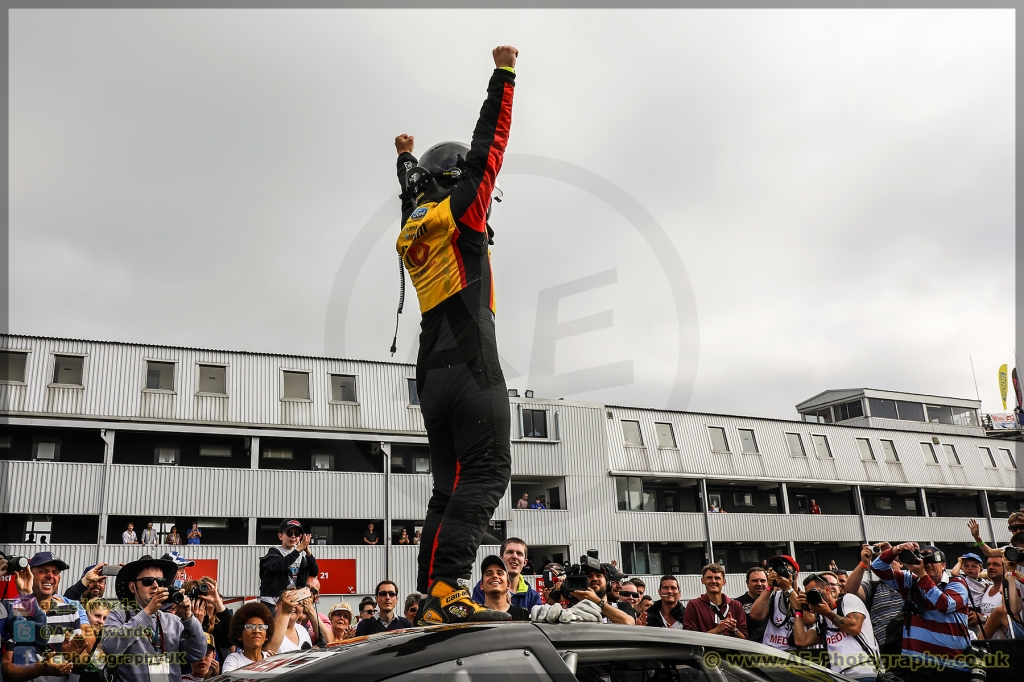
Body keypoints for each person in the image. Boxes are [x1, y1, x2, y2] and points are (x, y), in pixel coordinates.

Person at [396, 45, 518, 627]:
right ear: (457, 181)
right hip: (472, 372)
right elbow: (489, 144)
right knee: (488, 474)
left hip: (431, 379)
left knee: (448, 491)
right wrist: (504, 72)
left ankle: (427, 596)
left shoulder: (412, 230)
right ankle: (447, 584)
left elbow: (409, 198)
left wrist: (403, 163)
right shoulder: (463, 212)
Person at [870, 542, 971, 680]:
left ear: (943, 565)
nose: (928, 564)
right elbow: (877, 567)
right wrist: (896, 549)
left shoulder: (957, 583)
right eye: (924, 560)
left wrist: (923, 575)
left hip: (953, 665)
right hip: (917, 665)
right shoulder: (910, 582)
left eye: (932, 560)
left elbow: (945, 604)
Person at [101, 554, 206, 682]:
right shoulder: (120, 614)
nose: (155, 586)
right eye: (147, 581)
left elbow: (196, 653)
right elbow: (110, 647)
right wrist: (147, 612)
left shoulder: (173, 621)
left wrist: (189, 618)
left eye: (161, 582)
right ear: (132, 587)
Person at [1, 552, 86, 682]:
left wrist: (71, 657)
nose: (50, 576)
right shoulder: (15, 611)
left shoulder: (70, 612)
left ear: (59, 579)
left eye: (55, 572)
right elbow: (7, 671)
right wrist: (40, 668)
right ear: (28, 574)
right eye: (43, 571)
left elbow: (82, 664)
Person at [792, 571, 880, 682]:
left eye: (815, 592)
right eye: (808, 594)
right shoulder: (822, 620)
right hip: (838, 676)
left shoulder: (848, 600)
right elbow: (801, 640)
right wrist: (798, 610)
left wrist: (827, 613)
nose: (812, 596)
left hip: (864, 673)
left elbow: (854, 628)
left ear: (827, 590)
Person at [258, 519, 317, 610]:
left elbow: (314, 572)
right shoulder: (273, 553)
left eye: (297, 533)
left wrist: (308, 553)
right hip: (272, 601)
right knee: (274, 624)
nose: (293, 536)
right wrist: (297, 550)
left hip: (291, 600)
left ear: (300, 537)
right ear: (280, 536)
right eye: (289, 533)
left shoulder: (300, 557)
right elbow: (279, 566)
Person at [471, 538, 543, 610]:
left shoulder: (533, 597)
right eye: (510, 552)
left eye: (519, 554)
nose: (514, 556)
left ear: (525, 562)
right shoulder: (482, 589)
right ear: (501, 558)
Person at [748, 555, 801, 653]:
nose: (780, 574)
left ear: (796, 575)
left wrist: (788, 589)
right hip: (770, 652)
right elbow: (755, 615)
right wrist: (769, 587)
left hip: (795, 653)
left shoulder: (804, 596)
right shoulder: (774, 595)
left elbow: (808, 620)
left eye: (786, 570)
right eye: (777, 571)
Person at [683, 564, 747, 637]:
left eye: (717, 578)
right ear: (703, 580)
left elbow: (744, 638)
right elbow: (690, 637)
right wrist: (716, 631)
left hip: (731, 648)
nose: (713, 581)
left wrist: (733, 629)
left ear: (724, 582)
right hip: (706, 648)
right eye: (709, 578)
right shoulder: (693, 605)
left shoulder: (736, 605)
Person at [222, 602, 275, 672]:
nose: (256, 631)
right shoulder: (234, 660)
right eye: (250, 627)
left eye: (261, 627)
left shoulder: (272, 659)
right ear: (239, 635)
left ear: (267, 636)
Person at [479, 556, 530, 620]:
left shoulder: (522, 615)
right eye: (489, 573)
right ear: (481, 585)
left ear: (508, 585)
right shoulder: (475, 617)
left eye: (500, 573)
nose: (495, 576)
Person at [735, 566, 769, 643]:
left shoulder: (775, 601)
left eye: (763, 581)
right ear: (747, 583)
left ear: (767, 582)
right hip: (749, 648)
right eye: (754, 581)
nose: (759, 584)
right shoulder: (737, 603)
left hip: (772, 648)